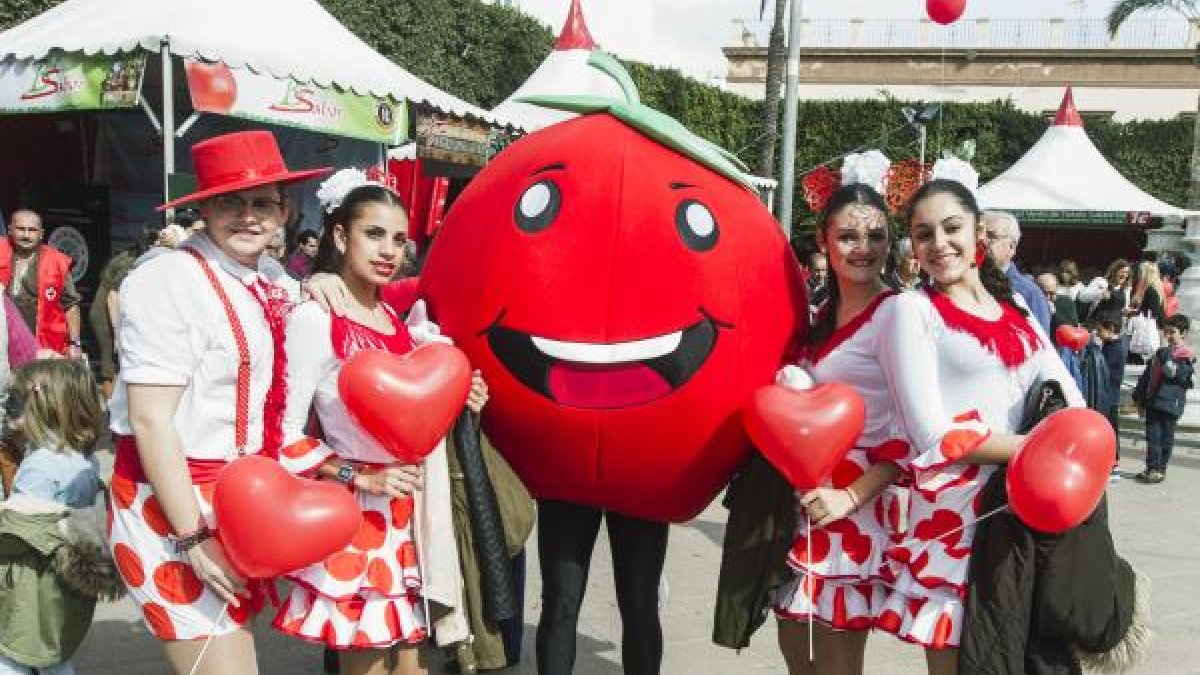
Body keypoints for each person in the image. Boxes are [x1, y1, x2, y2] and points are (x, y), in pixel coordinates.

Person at [106, 130, 328, 675]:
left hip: (239, 500)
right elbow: (149, 419)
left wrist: (327, 286)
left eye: (262, 202)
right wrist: (194, 537)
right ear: (203, 207)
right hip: (170, 504)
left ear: (284, 210)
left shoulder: (269, 277)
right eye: (230, 201)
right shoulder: (167, 279)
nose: (248, 216)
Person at [876, 180, 1084, 673]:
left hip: (1025, 506)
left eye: (951, 228)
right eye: (923, 234)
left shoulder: (1016, 311)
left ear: (978, 235)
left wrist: (1069, 451)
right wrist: (1039, 449)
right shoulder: (911, 311)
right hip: (957, 517)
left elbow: (1070, 398)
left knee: (1018, 655)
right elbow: (930, 432)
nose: (939, 244)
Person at [273, 171, 475, 674]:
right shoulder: (315, 318)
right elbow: (282, 438)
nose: (389, 251)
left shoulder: (398, 323)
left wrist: (466, 393)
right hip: (355, 523)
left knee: (414, 668)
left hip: (409, 525)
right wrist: (359, 476)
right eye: (374, 234)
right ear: (340, 237)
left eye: (400, 239)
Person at [716, 183, 905, 675]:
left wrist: (850, 497)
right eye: (847, 236)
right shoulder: (815, 315)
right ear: (824, 240)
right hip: (795, 509)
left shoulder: (901, 315)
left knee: (839, 668)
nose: (863, 248)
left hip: (853, 512)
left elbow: (914, 431)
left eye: (876, 235)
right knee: (797, 658)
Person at [0, 358, 116, 675]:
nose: (9, 407)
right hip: (65, 578)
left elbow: (18, 530)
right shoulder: (82, 459)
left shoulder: (39, 465)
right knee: (56, 654)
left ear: (44, 408)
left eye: (17, 401)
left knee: (13, 656)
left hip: (32, 579)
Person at [0, 210, 83, 357]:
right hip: (4, 342)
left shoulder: (57, 262)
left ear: (41, 234)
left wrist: (75, 343)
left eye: (32, 230)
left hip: (43, 345)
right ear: (10, 230)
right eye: (21, 229)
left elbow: (71, 305)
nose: (26, 235)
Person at [88, 229, 158, 398]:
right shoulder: (129, 261)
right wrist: (117, 333)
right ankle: (112, 411)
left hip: (119, 310)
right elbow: (113, 297)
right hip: (107, 313)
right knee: (110, 361)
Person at [1132, 313, 1194, 484]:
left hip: (1170, 404)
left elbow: (1175, 375)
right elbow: (1147, 376)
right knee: (1152, 437)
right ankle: (1152, 467)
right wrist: (1138, 397)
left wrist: (1167, 355)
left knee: (1165, 438)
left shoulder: (1185, 356)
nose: (1168, 336)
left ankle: (1160, 469)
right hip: (1154, 401)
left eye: (1172, 332)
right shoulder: (1161, 353)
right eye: (1166, 332)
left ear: (1183, 333)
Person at [981, 210, 1052, 333]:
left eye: (990, 236)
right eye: (977, 234)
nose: (981, 241)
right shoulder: (959, 284)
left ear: (1012, 246)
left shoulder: (1029, 294)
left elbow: (1038, 347)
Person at [1095, 314, 1130, 478]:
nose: (1098, 334)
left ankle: (1113, 462)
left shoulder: (1115, 348)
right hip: (1109, 395)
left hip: (1110, 396)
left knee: (1110, 429)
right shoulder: (1111, 345)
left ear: (1111, 329)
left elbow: (1105, 370)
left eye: (1100, 330)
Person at [1077, 259, 1132, 326]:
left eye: (1126, 272)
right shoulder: (1101, 282)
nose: (1124, 275)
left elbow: (1122, 309)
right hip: (1096, 326)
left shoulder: (1126, 290)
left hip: (1115, 328)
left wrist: (1126, 311)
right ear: (1114, 272)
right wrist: (1100, 293)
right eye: (1122, 272)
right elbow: (1082, 297)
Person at [1128, 261, 1167, 330]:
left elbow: (1154, 313)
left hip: (1147, 329)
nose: (1137, 274)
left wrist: (1135, 311)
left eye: (1140, 272)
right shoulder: (1153, 289)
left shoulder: (1150, 291)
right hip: (1146, 327)